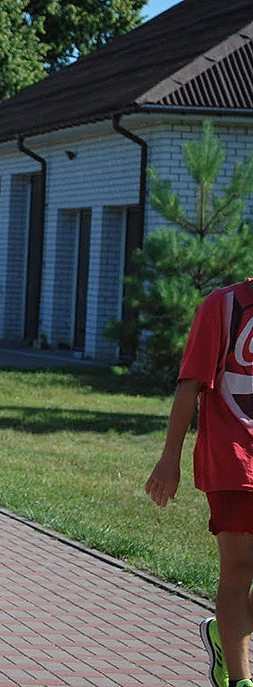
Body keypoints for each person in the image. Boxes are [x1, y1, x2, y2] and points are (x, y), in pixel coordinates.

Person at [146, 280, 253, 687]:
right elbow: (190, 383)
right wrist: (169, 458)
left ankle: (224, 635)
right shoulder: (222, 306)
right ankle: (242, 681)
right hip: (234, 457)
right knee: (239, 568)